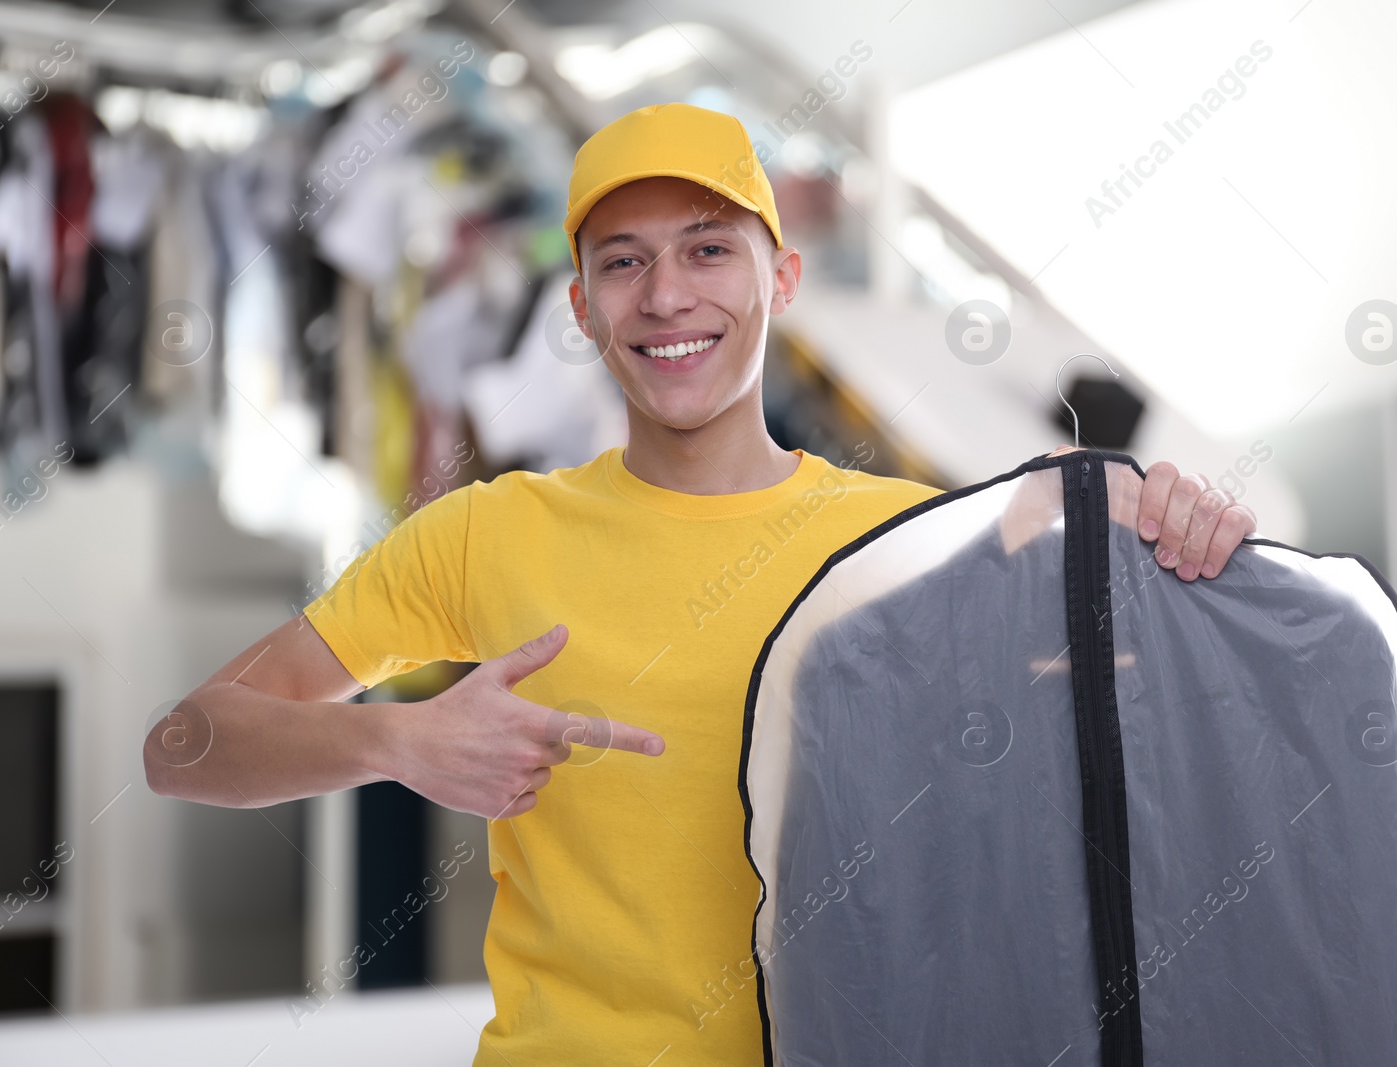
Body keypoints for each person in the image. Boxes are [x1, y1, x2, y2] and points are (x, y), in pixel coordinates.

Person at [144, 102, 1258, 1066]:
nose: (665, 296)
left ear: (782, 278)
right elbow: (184, 743)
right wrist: (398, 744)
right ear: (579, 307)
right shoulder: (484, 534)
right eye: (622, 261)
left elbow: (1127, 760)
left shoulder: (912, 544)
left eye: (708, 248)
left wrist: (1186, 538)